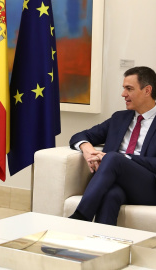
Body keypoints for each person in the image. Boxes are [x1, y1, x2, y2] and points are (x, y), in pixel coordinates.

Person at [68, 66, 156, 225]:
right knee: (111, 195)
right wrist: (88, 151)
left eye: (129, 89)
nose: (123, 94)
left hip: (148, 187)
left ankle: (79, 218)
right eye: (124, 89)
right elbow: (80, 136)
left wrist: (124, 158)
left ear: (147, 90)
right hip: (115, 182)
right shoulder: (119, 118)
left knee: (114, 158)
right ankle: (102, 245)